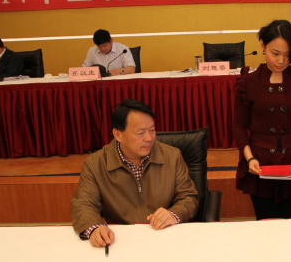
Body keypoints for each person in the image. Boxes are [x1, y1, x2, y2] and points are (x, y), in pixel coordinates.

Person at [71, 99, 199, 247]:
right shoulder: (96, 164)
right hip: (122, 241)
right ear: (118, 134)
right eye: (140, 133)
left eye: (152, 130)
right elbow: (84, 204)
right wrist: (95, 228)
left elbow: (188, 196)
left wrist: (173, 214)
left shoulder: (172, 156)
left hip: (165, 237)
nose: (149, 138)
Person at [234, 19, 291, 220]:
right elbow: (239, 126)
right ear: (263, 47)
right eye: (275, 53)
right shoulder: (248, 82)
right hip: (260, 161)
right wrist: (249, 158)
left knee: (289, 222)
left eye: (287, 54)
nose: (282, 60)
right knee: (264, 222)